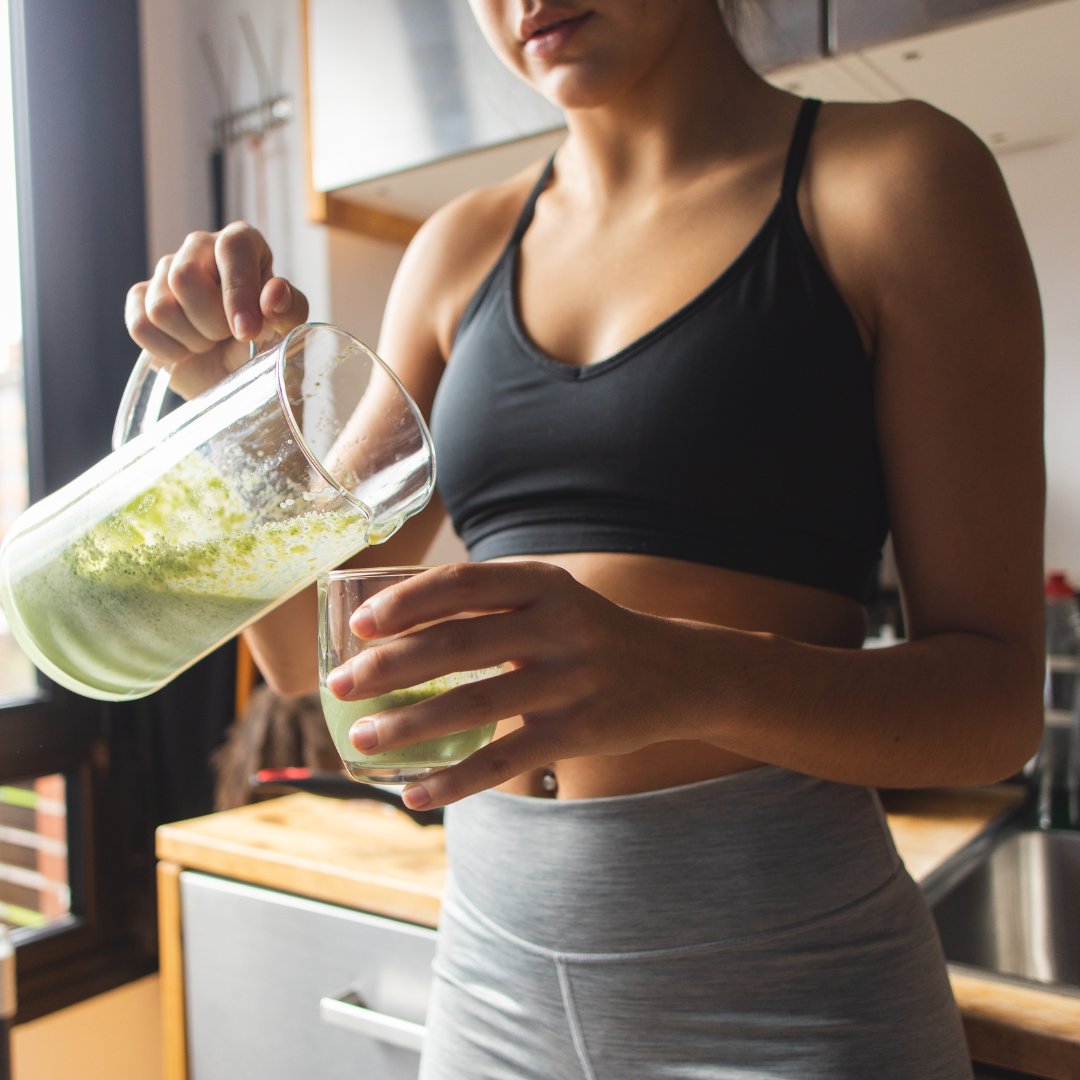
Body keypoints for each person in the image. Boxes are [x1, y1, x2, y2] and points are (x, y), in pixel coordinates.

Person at [126, 1, 1045, 1076]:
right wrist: (227, 411)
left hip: (789, 1000)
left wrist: (687, 673)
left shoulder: (894, 180)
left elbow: (993, 712)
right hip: (491, 991)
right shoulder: (457, 250)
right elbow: (302, 655)